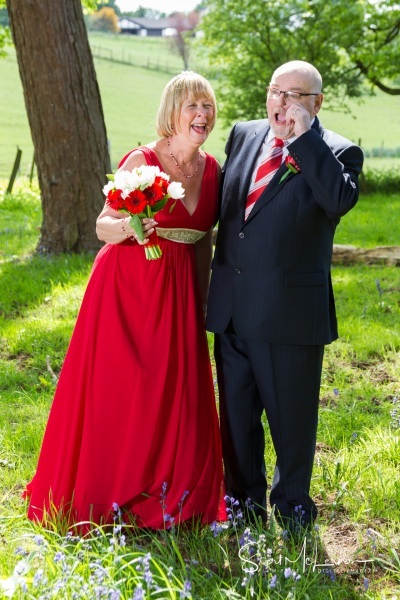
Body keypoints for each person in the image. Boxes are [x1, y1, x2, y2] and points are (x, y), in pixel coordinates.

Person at [24, 71, 226, 530]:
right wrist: (132, 228)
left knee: (173, 391)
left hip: (179, 296)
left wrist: (203, 302)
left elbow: (202, 241)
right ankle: (110, 493)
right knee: (126, 388)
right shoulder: (143, 158)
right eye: (193, 105)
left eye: (208, 106)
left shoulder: (212, 170)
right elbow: (103, 226)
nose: (202, 114)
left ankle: (173, 494)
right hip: (129, 289)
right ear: (172, 111)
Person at [206, 60, 364, 532]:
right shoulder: (243, 134)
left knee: (292, 423)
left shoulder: (338, 151)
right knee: (236, 421)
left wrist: (302, 141)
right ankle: (242, 505)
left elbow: (337, 201)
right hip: (232, 309)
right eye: (278, 91)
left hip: (288, 315)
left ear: (316, 104)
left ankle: (293, 508)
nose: (284, 102)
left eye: (297, 95)